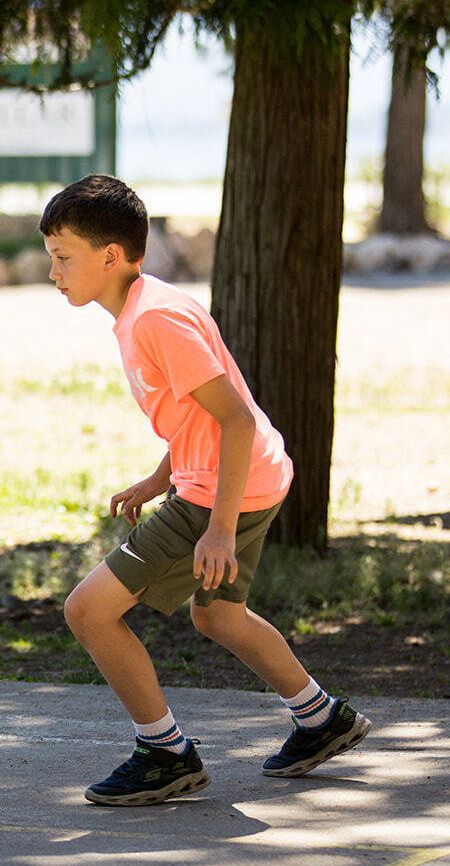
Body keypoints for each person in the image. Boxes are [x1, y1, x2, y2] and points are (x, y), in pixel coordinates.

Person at [39, 174, 369, 806]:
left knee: (88, 610)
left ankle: (165, 754)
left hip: (222, 489)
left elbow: (235, 419)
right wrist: (160, 476)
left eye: (62, 257)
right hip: (241, 477)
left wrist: (217, 526)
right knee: (218, 615)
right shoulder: (143, 307)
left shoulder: (156, 321)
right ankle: (322, 718)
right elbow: (200, 415)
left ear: (111, 257)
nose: (52, 271)